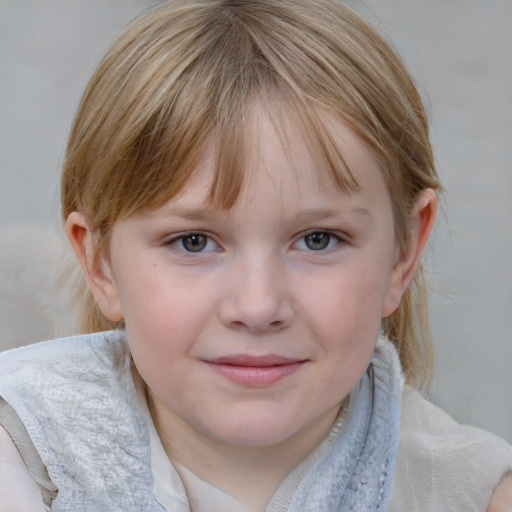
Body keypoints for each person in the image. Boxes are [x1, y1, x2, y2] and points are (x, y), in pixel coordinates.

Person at [0, 0, 511, 510]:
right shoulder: (22, 460)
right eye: (193, 242)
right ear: (100, 264)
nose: (258, 306)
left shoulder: (473, 495)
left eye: (318, 239)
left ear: (404, 252)